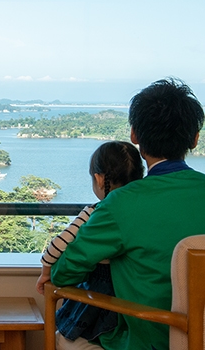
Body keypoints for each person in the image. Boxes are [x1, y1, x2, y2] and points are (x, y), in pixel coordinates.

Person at [50, 78, 205, 350]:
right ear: (194, 139)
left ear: (134, 135)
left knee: (64, 337)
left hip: (148, 342)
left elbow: (63, 275)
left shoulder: (120, 203)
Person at [36, 141, 144, 342]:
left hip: (100, 300)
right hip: (134, 301)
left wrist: (45, 272)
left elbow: (58, 245)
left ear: (99, 179)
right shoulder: (143, 211)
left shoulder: (96, 211)